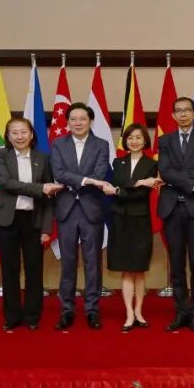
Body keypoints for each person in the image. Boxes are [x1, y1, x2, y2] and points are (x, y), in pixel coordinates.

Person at [0, 117, 62, 332]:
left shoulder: (42, 158)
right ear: (8, 136)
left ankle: (32, 316)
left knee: (34, 269)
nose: (19, 136)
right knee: (9, 269)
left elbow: (49, 196)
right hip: (7, 220)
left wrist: (47, 229)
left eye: (23, 132)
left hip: (33, 220)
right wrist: (39, 188)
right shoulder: (1, 154)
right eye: (14, 133)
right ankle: (11, 316)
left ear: (31, 134)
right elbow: (6, 183)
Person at [49, 102, 112, 331]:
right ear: (67, 122)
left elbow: (100, 173)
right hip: (66, 209)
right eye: (73, 119)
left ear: (90, 121)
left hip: (91, 208)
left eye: (83, 119)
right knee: (68, 262)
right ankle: (67, 310)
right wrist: (86, 180)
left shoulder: (101, 144)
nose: (78, 123)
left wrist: (78, 180)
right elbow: (58, 173)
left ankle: (92, 309)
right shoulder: (58, 144)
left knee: (92, 262)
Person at [156, 96, 194, 332]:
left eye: (187, 110)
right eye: (178, 111)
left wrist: (179, 178)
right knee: (177, 263)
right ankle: (181, 312)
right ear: (173, 115)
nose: (183, 114)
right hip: (172, 208)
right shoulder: (165, 140)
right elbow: (164, 171)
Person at [105, 123, 159, 332]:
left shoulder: (151, 164)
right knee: (126, 270)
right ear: (125, 141)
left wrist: (121, 190)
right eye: (130, 138)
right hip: (120, 220)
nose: (134, 141)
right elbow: (120, 186)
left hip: (140, 220)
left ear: (145, 141)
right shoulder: (117, 162)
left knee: (139, 269)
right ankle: (128, 313)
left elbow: (140, 195)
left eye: (138, 137)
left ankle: (139, 312)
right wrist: (138, 183)